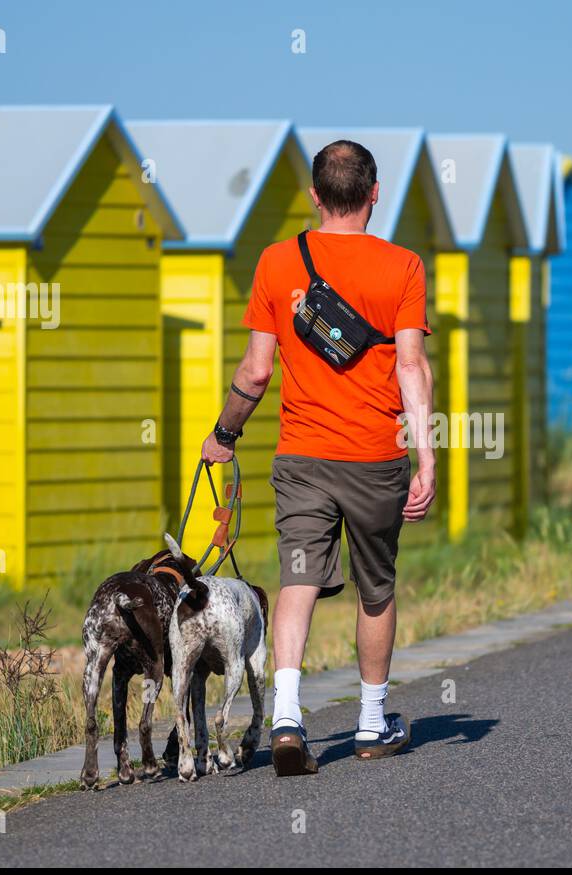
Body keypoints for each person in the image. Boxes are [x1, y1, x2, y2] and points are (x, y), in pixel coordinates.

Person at [201, 139, 436, 775]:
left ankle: (285, 716)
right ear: (375, 193)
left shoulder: (279, 263)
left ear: (314, 195)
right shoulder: (405, 268)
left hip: (302, 456)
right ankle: (369, 721)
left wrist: (224, 435)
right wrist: (427, 457)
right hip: (374, 459)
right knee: (375, 588)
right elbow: (411, 365)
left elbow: (255, 371)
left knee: (298, 580)